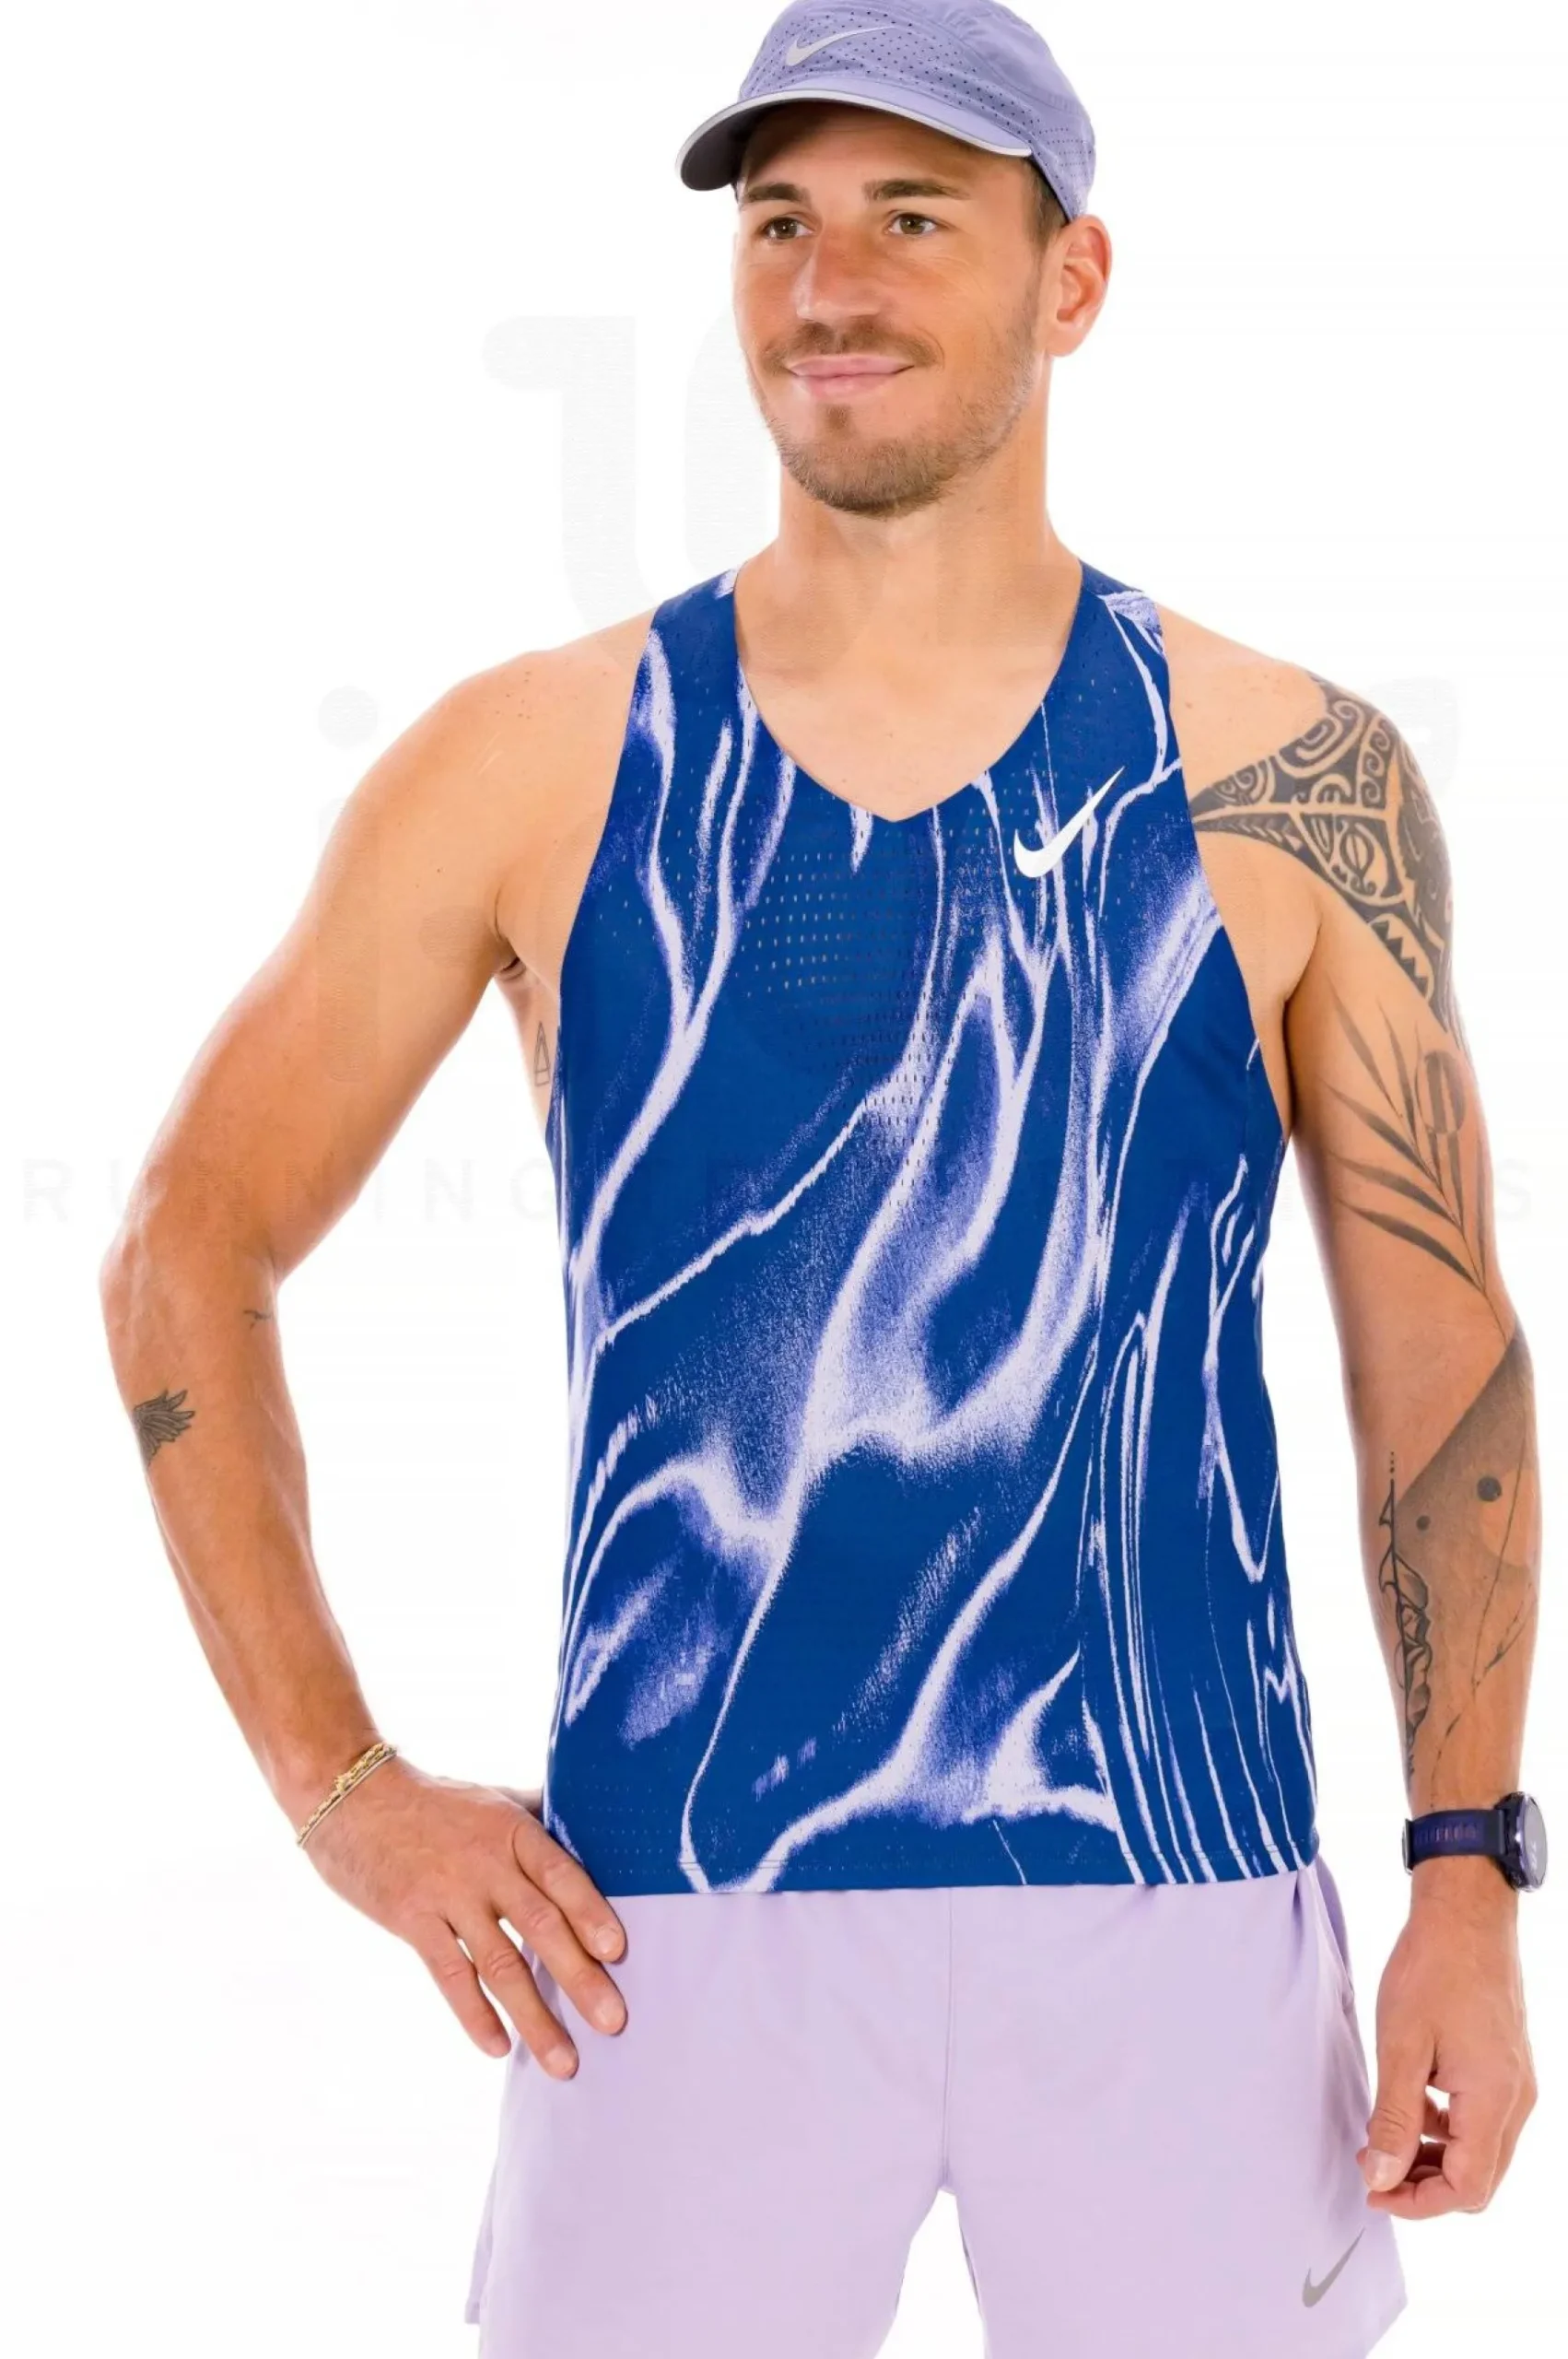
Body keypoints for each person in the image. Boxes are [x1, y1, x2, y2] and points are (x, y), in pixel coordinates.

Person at [99, 3, 1544, 2353]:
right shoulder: (531, 759)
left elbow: (1434, 1358)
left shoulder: (1292, 777)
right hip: (670, 1901)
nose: (826, 284)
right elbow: (188, 1243)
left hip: (1171, 1879)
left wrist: (1463, 1871)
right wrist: (340, 1786)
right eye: (776, 222)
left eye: (908, 217)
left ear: (1070, 278)